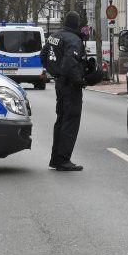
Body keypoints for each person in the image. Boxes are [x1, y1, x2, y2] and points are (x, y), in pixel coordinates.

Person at [44, 11, 87, 171]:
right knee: (70, 121)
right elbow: (70, 63)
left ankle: (55, 159)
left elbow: (43, 56)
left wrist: (55, 73)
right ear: (77, 24)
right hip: (71, 86)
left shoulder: (54, 37)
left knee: (61, 120)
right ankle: (63, 160)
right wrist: (79, 80)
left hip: (60, 83)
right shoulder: (74, 40)